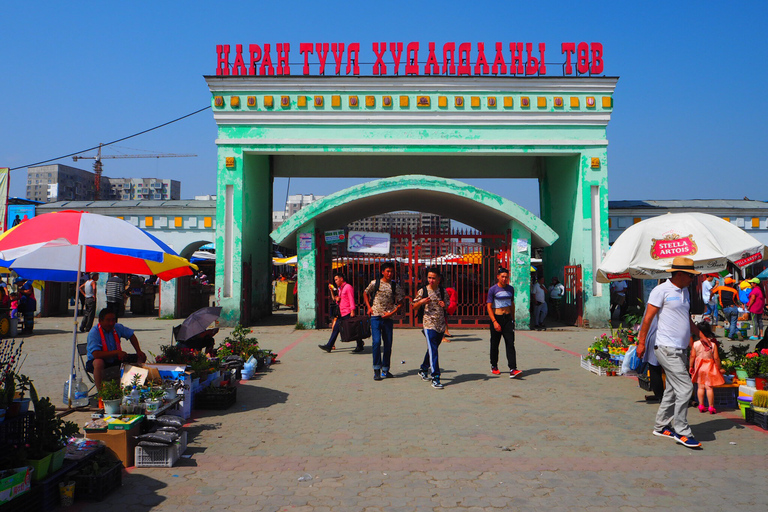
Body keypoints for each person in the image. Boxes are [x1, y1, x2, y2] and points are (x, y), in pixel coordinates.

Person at [637, 256, 709, 449]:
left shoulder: (685, 291)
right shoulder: (661, 291)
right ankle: (682, 431)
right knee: (685, 388)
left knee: (672, 389)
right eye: (690, 276)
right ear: (679, 274)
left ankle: (661, 426)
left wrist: (699, 334)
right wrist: (641, 342)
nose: (692, 279)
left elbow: (685, 318)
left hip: (680, 348)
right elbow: (648, 318)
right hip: (665, 348)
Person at [86, 308, 147, 391]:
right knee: (98, 362)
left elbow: (131, 335)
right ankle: (101, 393)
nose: (111, 323)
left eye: (113, 320)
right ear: (100, 321)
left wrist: (138, 350)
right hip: (98, 362)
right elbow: (96, 354)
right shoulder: (94, 333)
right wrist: (116, 352)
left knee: (141, 356)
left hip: (115, 359)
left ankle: (135, 386)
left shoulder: (117, 327)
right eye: (108, 320)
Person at [364, 262, 404, 381]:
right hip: (375, 316)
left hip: (388, 318)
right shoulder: (374, 283)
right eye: (388, 271)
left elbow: (401, 302)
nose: (390, 274)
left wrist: (392, 313)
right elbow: (365, 293)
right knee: (376, 342)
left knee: (388, 344)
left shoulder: (394, 286)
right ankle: (376, 369)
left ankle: (385, 369)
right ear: (382, 272)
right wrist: (368, 307)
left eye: (391, 271)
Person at [413, 267, 448, 389]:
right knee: (434, 350)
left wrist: (444, 305)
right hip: (429, 324)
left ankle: (423, 368)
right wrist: (421, 302)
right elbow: (413, 307)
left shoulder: (443, 291)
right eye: (429, 278)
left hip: (440, 325)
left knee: (432, 349)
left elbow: (448, 305)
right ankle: (436, 377)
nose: (431, 280)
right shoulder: (423, 291)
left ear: (438, 279)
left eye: (433, 278)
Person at [486, 268, 522, 379]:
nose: (504, 279)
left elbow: (512, 304)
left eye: (506, 277)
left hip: (507, 319)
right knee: (495, 344)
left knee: (510, 343)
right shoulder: (493, 289)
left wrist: (513, 319)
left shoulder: (511, 289)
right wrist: (494, 321)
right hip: (497, 318)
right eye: (502, 276)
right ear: (498, 277)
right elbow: (489, 306)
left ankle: (513, 368)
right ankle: (494, 365)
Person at [318, 272, 364, 353]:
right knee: (336, 328)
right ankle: (329, 346)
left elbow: (351, 299)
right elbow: (336, 299)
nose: (335, 281)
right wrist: (333, 293)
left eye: (336, 279)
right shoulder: (340, 289)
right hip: (341, 312)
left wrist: (352, 310)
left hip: (347, 312)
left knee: (352, 329)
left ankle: (360, 344)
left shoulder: (348, 287)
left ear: (341, 279)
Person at [690, 322, 725, 414]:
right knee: (709, 387)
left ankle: (701, 405)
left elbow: (692, 356)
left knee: (700, 387)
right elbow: (716, 358)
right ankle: (711, 407)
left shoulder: (695, 344)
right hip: (709, 366)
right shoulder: (712, 345)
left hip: (699, 366)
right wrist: (718, 367)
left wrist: (691, 366)